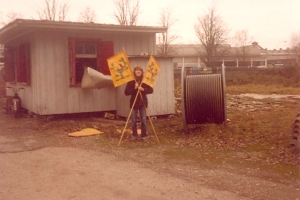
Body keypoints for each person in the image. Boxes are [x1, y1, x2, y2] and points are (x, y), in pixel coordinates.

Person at [125, 66, 153, 140]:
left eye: (140, 70)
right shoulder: (131, 81)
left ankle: (143, 135)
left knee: (143, 120)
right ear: (134, 72)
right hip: (134, 103)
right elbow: (126, 92)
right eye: (137, 70)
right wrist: (134, 88)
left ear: (142, 72)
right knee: (133, 121)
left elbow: (151, 90)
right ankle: (134, 135)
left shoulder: (145, 81)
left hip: (142, 103)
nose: (138, 71)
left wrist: (143, 89)